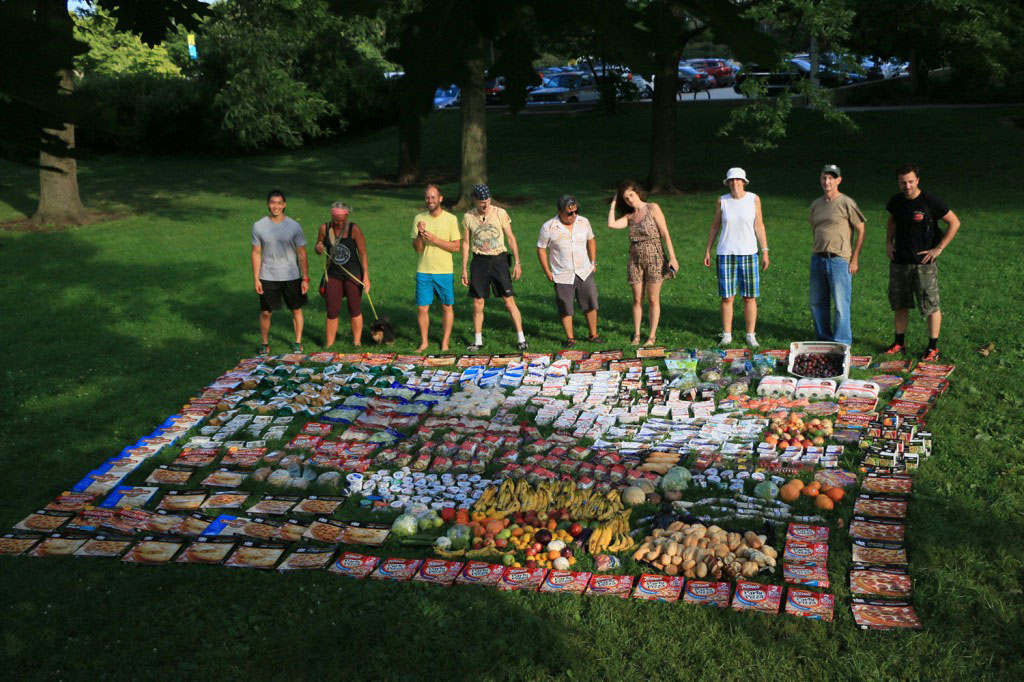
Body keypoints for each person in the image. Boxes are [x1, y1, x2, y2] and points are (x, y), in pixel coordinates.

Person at [882, 163, 961, 361]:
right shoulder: (896, 202)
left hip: (924, 264)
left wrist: (939, 248)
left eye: (910, 181)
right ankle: (899, 343)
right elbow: (892, 221)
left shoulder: (930, 201)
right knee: (900, 303)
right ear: (898, 183)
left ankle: (932, 348)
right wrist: (888, 242)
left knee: (931, 305)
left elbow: (954, 222)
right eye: (903, 182)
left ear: (917, 180)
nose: (907, 186)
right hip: (899, 261)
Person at [607, 180, 680, 346]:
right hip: (635, 260)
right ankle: (637, 335)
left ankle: (652, 337)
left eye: (631, 195)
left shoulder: (652, 208)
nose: (630, 200)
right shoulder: (629, 217)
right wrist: (613, 203)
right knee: (637, 299)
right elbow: (611, 224)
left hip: (655, 257)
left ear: (637, 192)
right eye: (626, 199)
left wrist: (673, 257)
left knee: (653, 299)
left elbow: (665, 234)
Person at [703, 168, 770, 347]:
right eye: (731, 180)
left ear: (744, 182)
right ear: (728, 183)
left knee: (749, 297)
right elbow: (714, 227)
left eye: (738, 180)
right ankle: (727, 334)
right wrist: (708, 249)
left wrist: (765, 251)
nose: (735, 183)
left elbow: (759, 226)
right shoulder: (722, 201)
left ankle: (750, 335)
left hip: (749, 253)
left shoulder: (753, 199)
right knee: (727, 297)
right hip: (726, 254)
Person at [460, 184, 529, 351]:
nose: (485, 205)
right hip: (479, 261)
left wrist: (517, 263)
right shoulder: (468, 217)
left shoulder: (500, 213)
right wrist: (463, 269)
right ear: (475, 200)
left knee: (508, 300)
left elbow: (511, 238)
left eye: (488, 201)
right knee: (478, 302)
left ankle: (521, 339)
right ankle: (477, 341)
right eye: (482, 201)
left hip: (499, 260)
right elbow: (466, 243)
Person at [808, 164, 865, 347]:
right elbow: (815, 228)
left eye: (831, 178)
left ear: (838, 180)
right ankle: (823, 339)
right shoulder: (816, 204)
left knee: (841, 305)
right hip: (818, 258)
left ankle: (842, 342)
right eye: (824, 177)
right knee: (817, 302)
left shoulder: (846, 202)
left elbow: (861, 228)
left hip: (839, 260)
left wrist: (854, 258)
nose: (827, 181)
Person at [537, 194, 601, 347]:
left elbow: (591, 240)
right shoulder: (548, 227)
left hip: (584, 270)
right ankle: (570, 339)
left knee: (591, 303)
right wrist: (547, 271)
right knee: (565, 306)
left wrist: (593, 262)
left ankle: (593, 334)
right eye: (569, 213)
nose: (574, 216)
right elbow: (541, 248)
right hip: (562, 273)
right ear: (560, 212)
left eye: (575, 212)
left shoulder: (584, 222)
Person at [251, 189, 309, 354]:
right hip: (268, 275)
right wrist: (256, 278)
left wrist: (305, 278)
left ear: (284, 205)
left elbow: (302, 253)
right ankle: (264, 343)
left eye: (279, 203)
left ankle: (297, 342)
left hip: (291, 275)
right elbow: (256, 253)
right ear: (268, 204)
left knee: (296, 309)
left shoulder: (294, 226)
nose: (275, 206)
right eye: (272, 203)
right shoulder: (259, 226)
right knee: (266, 312)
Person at [411, 184, 461, 352]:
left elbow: (456, 247)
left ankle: (445, 342)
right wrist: (420, 234)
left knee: (447, 306)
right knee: (422, 308)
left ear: (440, 199)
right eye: (427, 197)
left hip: (444, 271)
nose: (430, 200)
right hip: (424, 270)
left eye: (433, 197)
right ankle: (424, 342)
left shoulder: (451, 219)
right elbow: (418, 249)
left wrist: (434, 239)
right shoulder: (419, 218)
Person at [315, 202, 370, 347]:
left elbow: (363, 253)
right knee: (332, 310)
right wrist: (319, 248)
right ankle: (330, 343)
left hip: (353, 274)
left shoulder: (354, 229)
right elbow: (318, 246)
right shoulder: (324, 228)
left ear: (347, 216)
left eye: (342, 220)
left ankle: (356, 342)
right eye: (336, 220)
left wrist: (366, 276)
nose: (339, 223)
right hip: (333, 275)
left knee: (355, 308)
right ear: (332, 217)